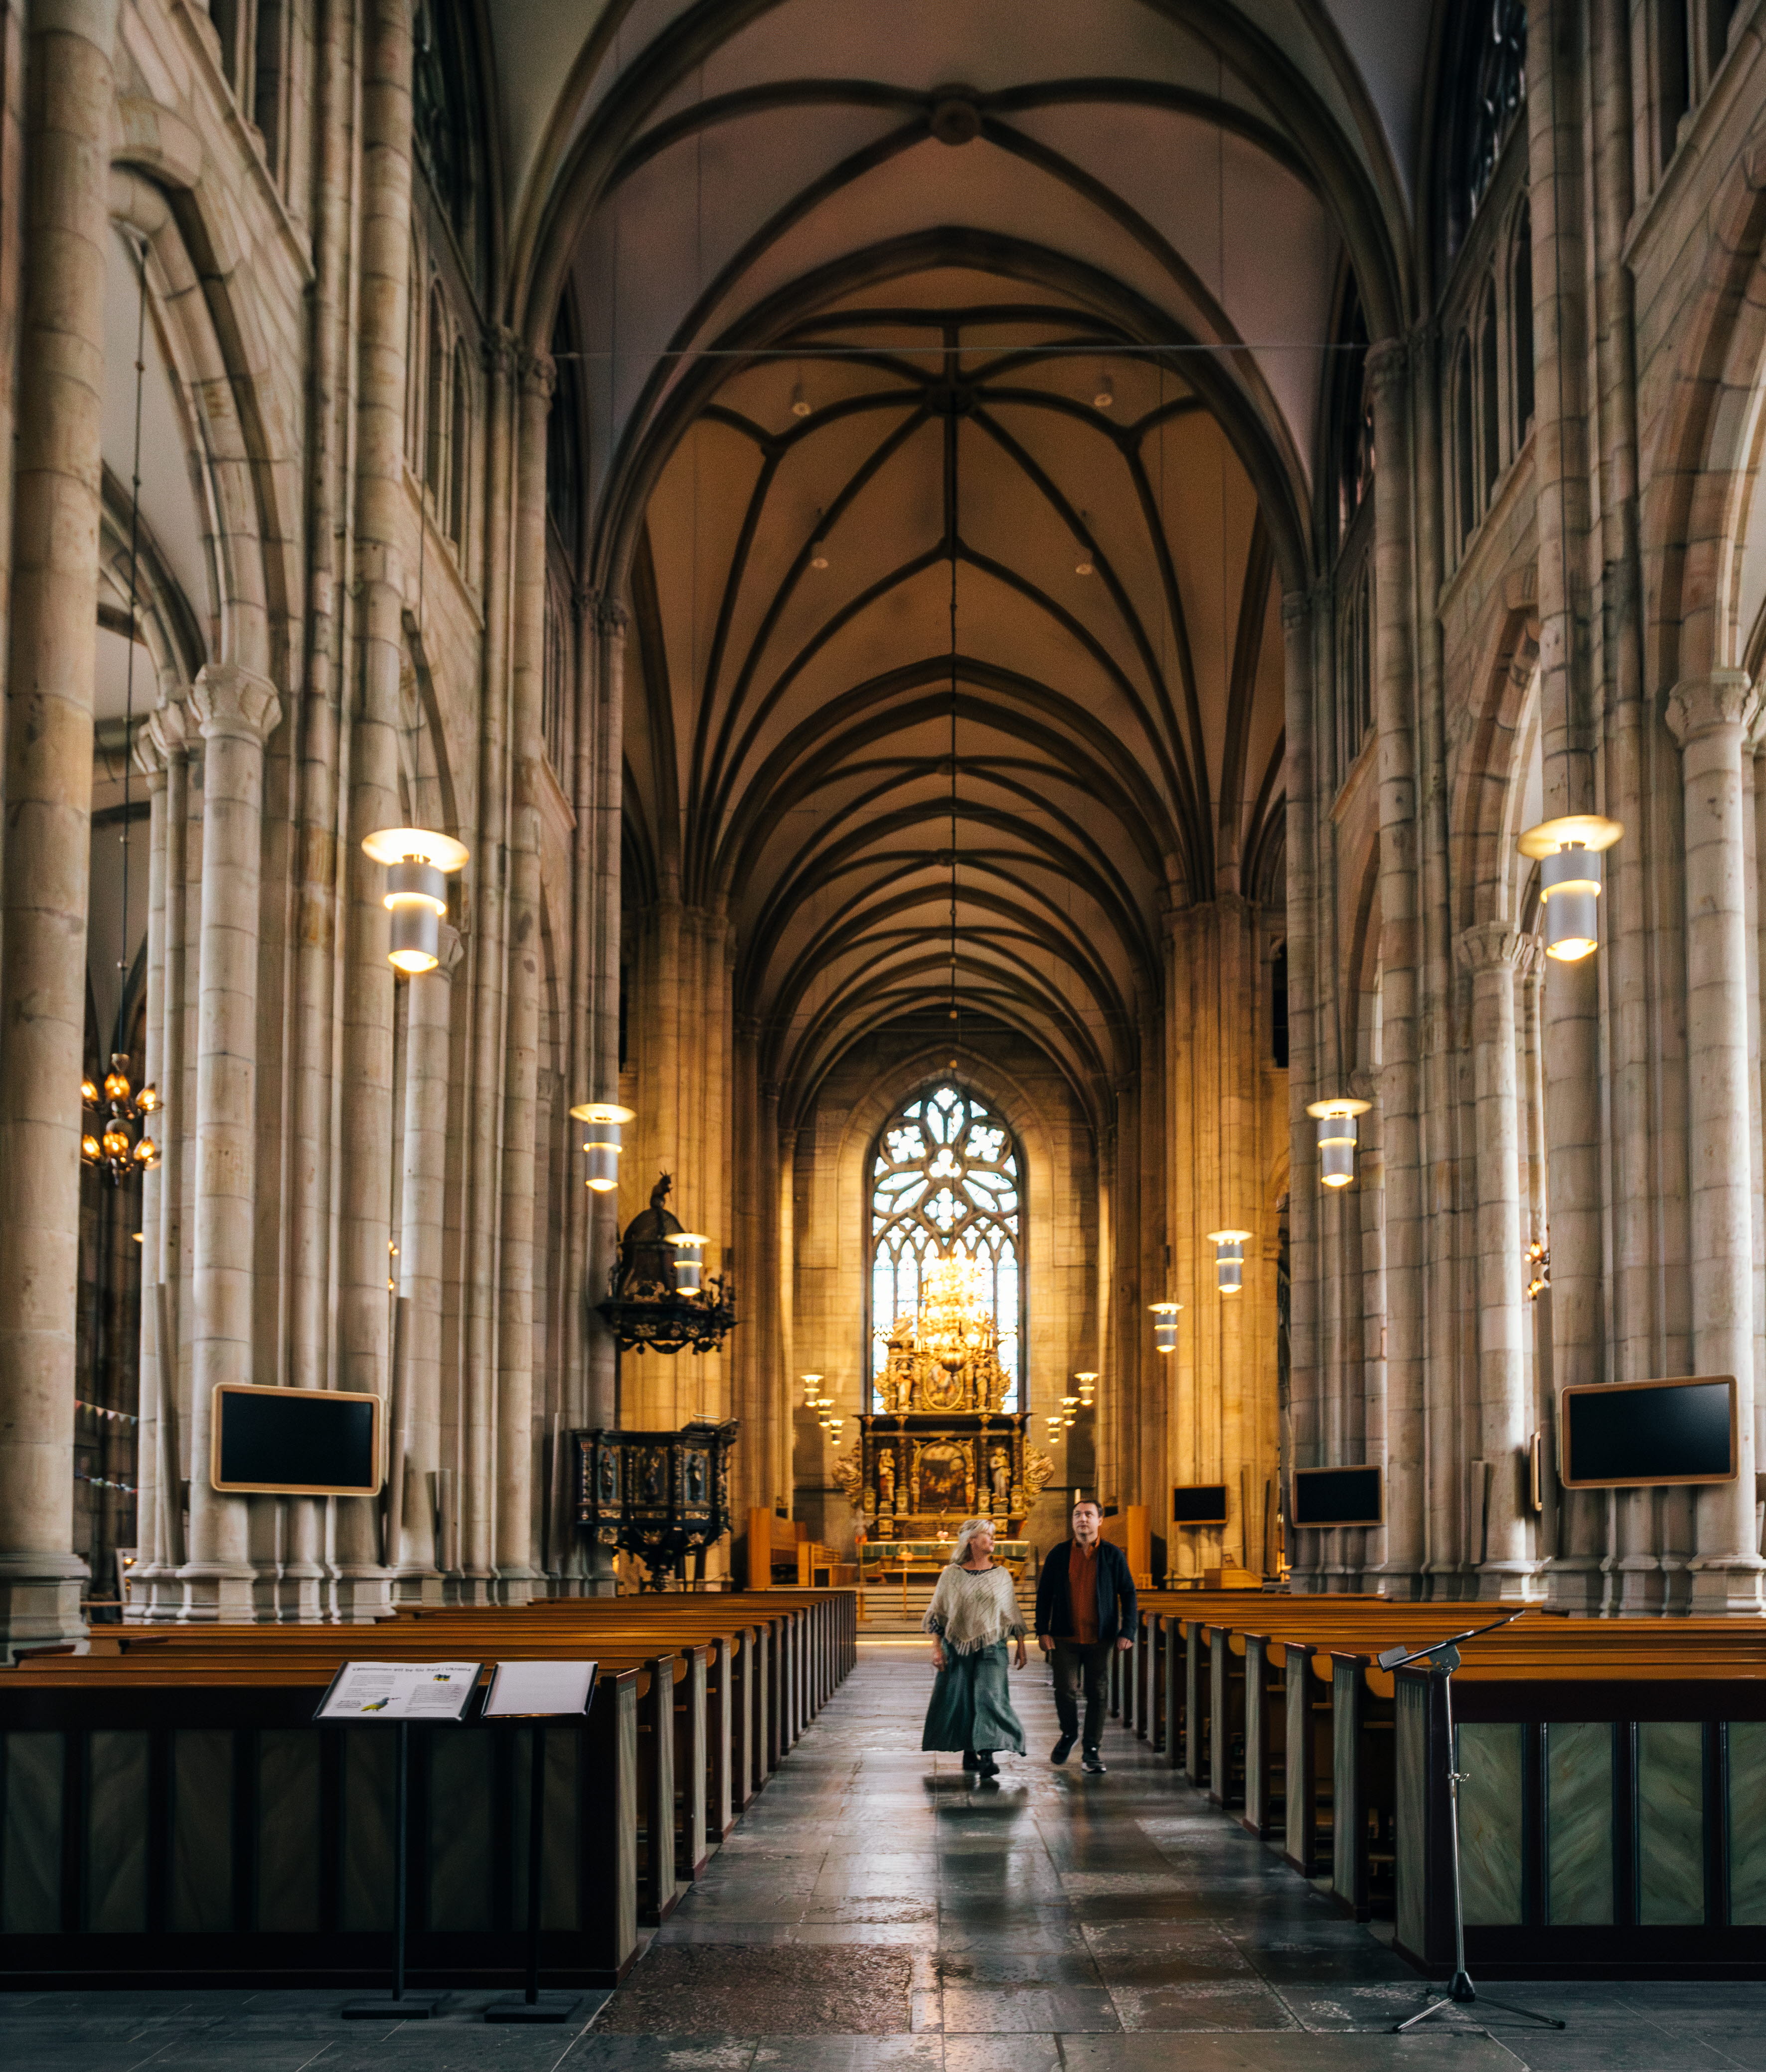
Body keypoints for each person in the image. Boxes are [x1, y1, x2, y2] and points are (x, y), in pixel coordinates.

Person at [1033, 1497, 1137, 1773]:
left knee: (1097, 1692)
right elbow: (1044, 1595)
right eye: (1077, 1514)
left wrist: (1128, 1630)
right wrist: (1042, 1630)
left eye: (1089, 1515)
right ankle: (1069, 1733)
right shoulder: (1058, 1554)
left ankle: (1091, 1749)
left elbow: (1128, 1593)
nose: (1083, 1519)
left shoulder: (1113, 1555)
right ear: (1072, 1521)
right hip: (1065, 1637)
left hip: (1100, 1638)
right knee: (1065, 1690)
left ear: (1100, 1520)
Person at [921, 1516, 1028, 1777]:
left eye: (993, 1535)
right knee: (963, 1699)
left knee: (990, 1697)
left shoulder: (1001, 1575)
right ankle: (970, 1751)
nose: (993, 1539)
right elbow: (939, 1614)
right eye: (987, 1535)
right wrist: (937, 1649)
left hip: (994, 1646)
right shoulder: (952, 1575)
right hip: (957, 1647)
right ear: (971, 1540)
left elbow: (1011, 1613)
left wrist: (1021, 1645)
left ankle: (987, 1755)